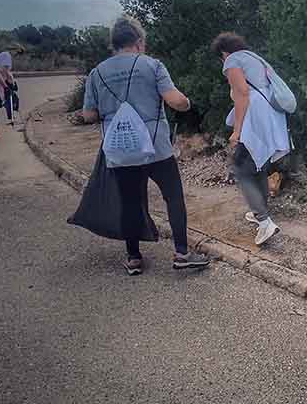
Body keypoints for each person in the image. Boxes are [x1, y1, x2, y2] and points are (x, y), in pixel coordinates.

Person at [80, 16, 210, 275]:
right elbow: (175, 101)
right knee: (173, 197)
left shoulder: (97, 73)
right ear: (139, 42)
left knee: (129, 202)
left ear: (114, 44)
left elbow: (88, 115)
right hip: (155, 148)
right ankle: (182, 253)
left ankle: (134, 258)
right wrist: (187, 103)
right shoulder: (152, 66)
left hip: (120, 150)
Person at [210, 32, 291, 246]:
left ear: (224, 53)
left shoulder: (232, 61)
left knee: (240, 168)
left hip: (254, 117)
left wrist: (237, 131)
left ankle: (264, 222)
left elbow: (242, 94)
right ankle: (260, 214)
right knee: (258, 165)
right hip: (272, 116)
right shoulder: (254, 58)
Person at [0, 45, 21, 126]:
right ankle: (12, 119)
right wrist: (11, 81)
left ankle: (11, 118)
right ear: (14, 50)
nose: (16, 55)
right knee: (12, 99)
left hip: (0, 79)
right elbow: (4, 70)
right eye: (17, 53)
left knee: (7, 99)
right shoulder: (7, 55)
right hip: (2, 80)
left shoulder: (3, 54)